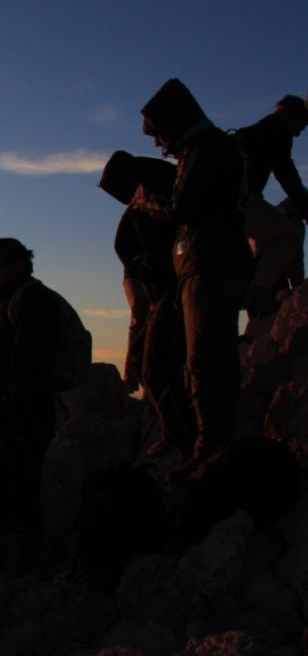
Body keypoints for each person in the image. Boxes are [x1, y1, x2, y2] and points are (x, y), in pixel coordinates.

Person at [140, 78, 252, 471]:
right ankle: (210, 444)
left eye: (157, 133)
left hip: (211, 265)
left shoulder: (205, 150)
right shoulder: (209, 149)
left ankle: (212, 450)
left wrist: (150, 202)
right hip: (207, 265)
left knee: (207, 360)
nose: (158, 144)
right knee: (203, 359)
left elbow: (183, 207)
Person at [98, 151, 196, 458]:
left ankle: (186, 442)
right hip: (163, 285)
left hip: (169, 288)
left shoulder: (150, 198)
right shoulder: (145, 200)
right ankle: (179, 434)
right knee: (160, 362)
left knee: (160, 366)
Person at [0, 238, 62, 576]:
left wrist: (15, 415)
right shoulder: (9, 303)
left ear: (18, 265)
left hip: (19, 426)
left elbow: (31, 367)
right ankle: (19, 570)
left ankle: (22, 574)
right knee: (9, 501)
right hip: (5, 426)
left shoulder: (33, 302)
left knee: (18, 503)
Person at [233, 94, 308, 316]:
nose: (301, 131)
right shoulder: (276, 131)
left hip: (230, 204)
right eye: (302, 124)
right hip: (244, 202)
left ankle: (261, 289)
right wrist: (306, 208)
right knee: (290, 235)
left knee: (268, 237)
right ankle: (258, 292)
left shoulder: (254, 131)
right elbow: (287, 177)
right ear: (291, 116)